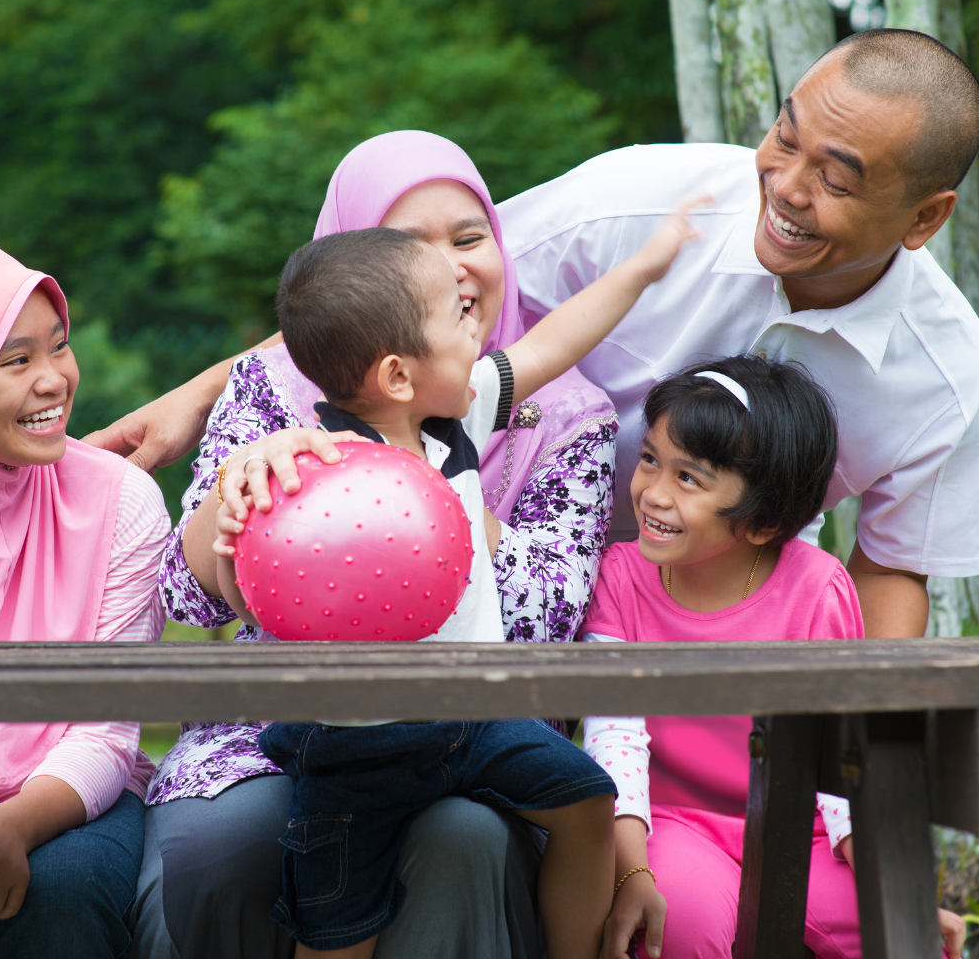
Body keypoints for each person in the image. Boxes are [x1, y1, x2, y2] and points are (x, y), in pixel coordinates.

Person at [92, 29, 979, 642]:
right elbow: (401, 305)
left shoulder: (945, 379)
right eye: (785, 136)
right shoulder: (634, 208)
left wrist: (867, 788)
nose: (785, 185)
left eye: (836, 178)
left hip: (711, 628)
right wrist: (202, 393)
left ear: (924, 216)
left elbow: (891, 570)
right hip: (508, 607)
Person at [129, 132, 621, 959]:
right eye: (408, 247)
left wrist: (431, 499)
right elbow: (183, 595)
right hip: (270, 727)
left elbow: (547, 623)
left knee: (466, 838)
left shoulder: (568, 414)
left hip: (476, 727)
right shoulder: (273, 386)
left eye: (470, 238)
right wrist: (243, 493)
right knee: (220, 845)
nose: (454, 268)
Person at [210, 207, 697, 958]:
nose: (481, 333)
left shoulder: (449, 421)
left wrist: (645, 265)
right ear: (400, 373)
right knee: (338, 929)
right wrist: (241, 495)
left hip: (474, 719)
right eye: (458, 318)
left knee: (586, 802)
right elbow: (248, 583)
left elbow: (552, 344)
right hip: (353, 749)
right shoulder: (314, 471)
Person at [578, 357, 965, 959]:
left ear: (761, 521)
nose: (651, 493)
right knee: (679, 921)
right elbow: (614, 742)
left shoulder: (817, 588)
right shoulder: (620, 577)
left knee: (904, 933)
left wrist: (896, 886)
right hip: (673, 822)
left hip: (801, 827)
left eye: (689, 479)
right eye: (651, 458)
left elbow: (840, 757)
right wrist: (632, 873)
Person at [0, 234, 170, 958]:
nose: (54, 380)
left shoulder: (122, 502)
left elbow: (107, 731)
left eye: (59, 346)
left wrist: (13, 824)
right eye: (15, 361)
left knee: (65, 890)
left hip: (74, 788)